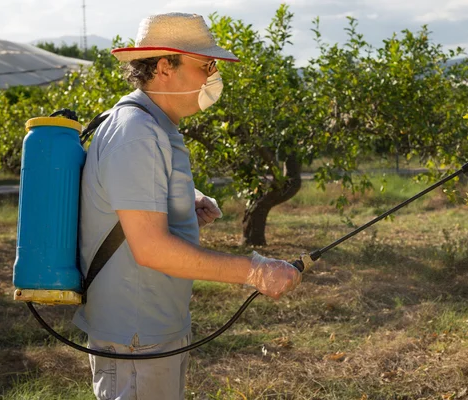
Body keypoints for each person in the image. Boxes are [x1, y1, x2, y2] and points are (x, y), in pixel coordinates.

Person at [73, 12, 302, 400]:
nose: (212, 77)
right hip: (136, 337)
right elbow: (151, 249)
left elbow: (132, 218)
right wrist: (254, 272)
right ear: (165, 66)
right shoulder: (138, 133)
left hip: (149, 331)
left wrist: (181, 208)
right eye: (205, 65)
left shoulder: (153, 126)